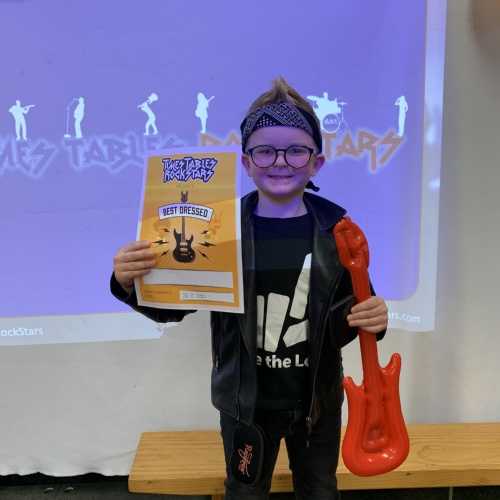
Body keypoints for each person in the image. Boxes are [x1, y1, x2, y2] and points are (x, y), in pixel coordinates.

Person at [111, 76, 388, 499]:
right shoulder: (217, 230)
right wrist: (129, 282)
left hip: (318, 402)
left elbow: (355, 309)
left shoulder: (339, 231)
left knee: (320, 491)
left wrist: (375, 317)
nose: (281, 161)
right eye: (265, 150)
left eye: (296, 150)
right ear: (246, 162)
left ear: (316, 163)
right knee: (244, 493)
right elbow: (172, 306)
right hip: (246, 405)